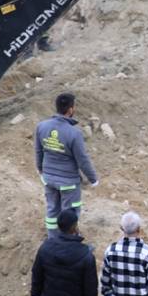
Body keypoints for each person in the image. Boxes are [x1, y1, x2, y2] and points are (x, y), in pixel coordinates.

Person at [35, 93, 99, 235]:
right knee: (70, 213)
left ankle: (53, 240)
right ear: (70, 110)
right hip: (68, 182)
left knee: (52, 209)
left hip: (49, 179)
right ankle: (68, 242)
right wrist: (93, 179)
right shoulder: (74, 133)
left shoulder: (41, 127)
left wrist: (40, 169)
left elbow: (38, 151)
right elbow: (82, 159)